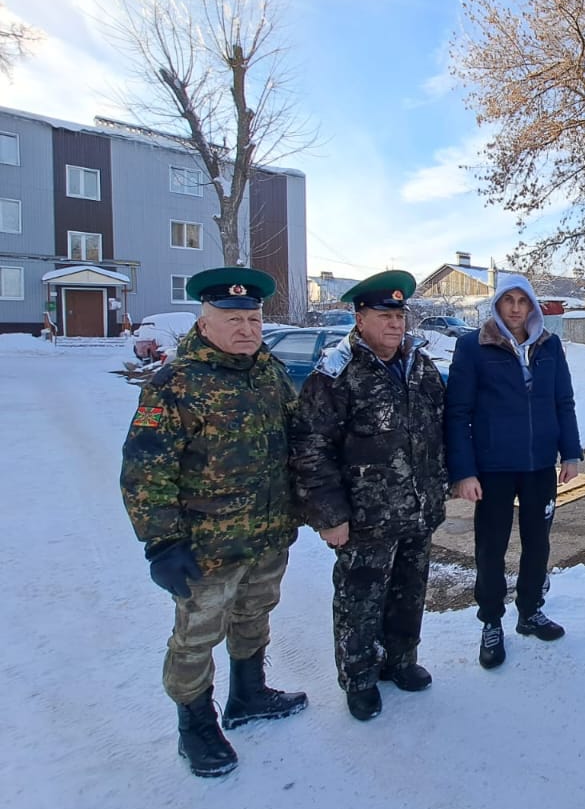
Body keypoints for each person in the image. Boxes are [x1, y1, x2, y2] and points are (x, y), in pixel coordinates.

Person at [120, 267, 306, 778]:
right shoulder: (176, 384)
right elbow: (144, 471)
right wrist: (161, 543)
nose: (247, 328)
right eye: (233, 318)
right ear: (205, 324)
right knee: (196, 636)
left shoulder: (269, 374)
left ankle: (248, 693)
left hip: (267, 535)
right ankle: (195, 725)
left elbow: (297, 442)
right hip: (205, 548)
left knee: (254, 617)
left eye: (254, 318)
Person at [290, 270, 447, 722]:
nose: (395, 323)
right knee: (360, 597)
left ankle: (400, 660)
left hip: (417, 507)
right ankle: (358, 677)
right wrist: (329, 514)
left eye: (400, 314)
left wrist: (444, 482)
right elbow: (311, 447)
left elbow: (439, 428)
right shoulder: (337, 372)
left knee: (409, 590)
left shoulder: (420, 366)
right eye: (384, 314)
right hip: (364, 516)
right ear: (360, 318)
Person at [445, 274, 583, 668]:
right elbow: (458, 413)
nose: (517, 308)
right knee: (491, 547)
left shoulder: (549, 345)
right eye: (509, 300)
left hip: (540, 465)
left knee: (538, 544)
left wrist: (569, 453)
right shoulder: (474, 346)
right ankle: (491, 621)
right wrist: (464, 471)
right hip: (493, 468)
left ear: (534, 306)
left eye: (524, 300)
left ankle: (529, 611)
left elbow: (564, 401)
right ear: (497, 304)